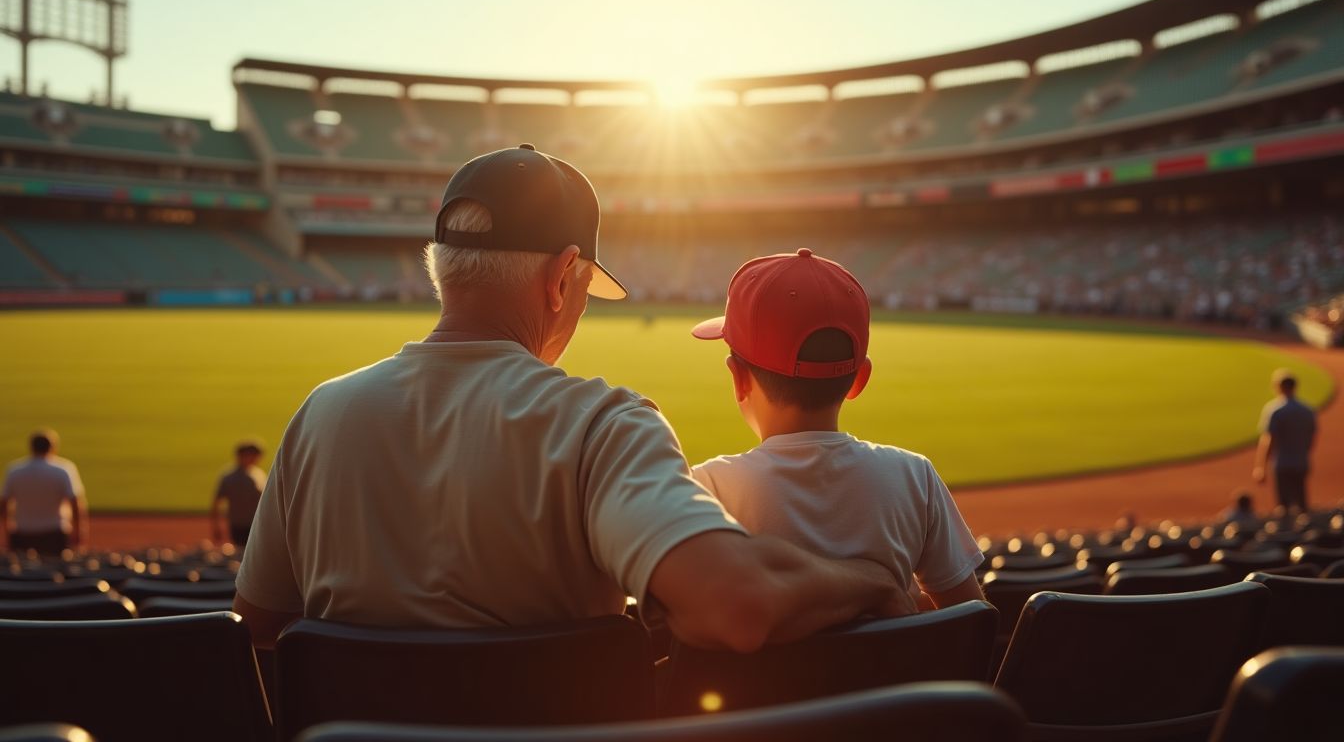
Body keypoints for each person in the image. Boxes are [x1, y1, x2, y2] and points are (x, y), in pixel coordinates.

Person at [234, 145, 898, 652]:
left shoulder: (321, 413)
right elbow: (736, 606)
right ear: (559, 279)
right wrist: (871, 583)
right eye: (583, 290)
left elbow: (262, 624)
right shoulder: (601, 424)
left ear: (441, 265)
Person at [689, 249, 984, 615]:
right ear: (859, 379)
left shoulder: (707, 489)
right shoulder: (914, 477)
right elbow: (972, 618)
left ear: (738, 379)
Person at [1, 429, 88, 555]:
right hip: (55, 533)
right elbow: (75, 503)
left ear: (31, 447)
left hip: (22, 533)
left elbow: (3, 504)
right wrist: (79, 533)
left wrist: (8, 532)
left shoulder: (14, 470)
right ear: (53, 448)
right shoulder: (63, 470)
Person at [1253, 368, 1317, 512]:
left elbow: (1268, 439)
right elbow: (1311, 437)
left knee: (1284, 506)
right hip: (1301, 460)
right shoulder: (1307, 410)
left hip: (1282, 462)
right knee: (1302, 501)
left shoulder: (1275, 410)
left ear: (1279, 387)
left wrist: (1260, 466)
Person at [211, 440, 266, 547]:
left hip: (258, 523)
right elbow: (217, 502)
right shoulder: (230, 478)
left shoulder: (259, 474)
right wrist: (216, 525)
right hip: (240, 525)